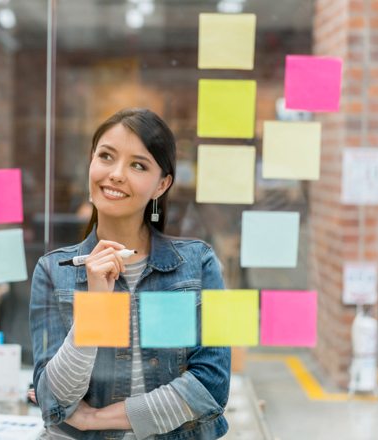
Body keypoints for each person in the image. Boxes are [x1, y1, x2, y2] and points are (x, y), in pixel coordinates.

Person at [29, 109, 230, 440]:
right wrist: (96, 307)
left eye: (138, 165)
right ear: (91, 163)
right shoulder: (54, 272)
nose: (116, 174)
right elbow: (54, 401)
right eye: (106, 156)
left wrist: (94, 419)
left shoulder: (199, 265)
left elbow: (210, 388)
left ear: (161, 185)